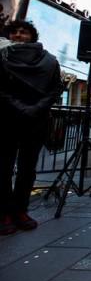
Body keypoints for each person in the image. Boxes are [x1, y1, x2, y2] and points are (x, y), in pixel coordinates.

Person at [0, 20, 63, 235]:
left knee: (28, 170)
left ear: (32, 36)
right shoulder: (2, 56)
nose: (19, 35)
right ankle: (4, 214)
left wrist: (35, 108)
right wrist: (22, 108)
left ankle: (21, 211)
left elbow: (55, 89)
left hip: (35, 122)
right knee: (4, 169)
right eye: (15, 32)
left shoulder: (50, 61)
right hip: (7, 120)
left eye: (24, 32)